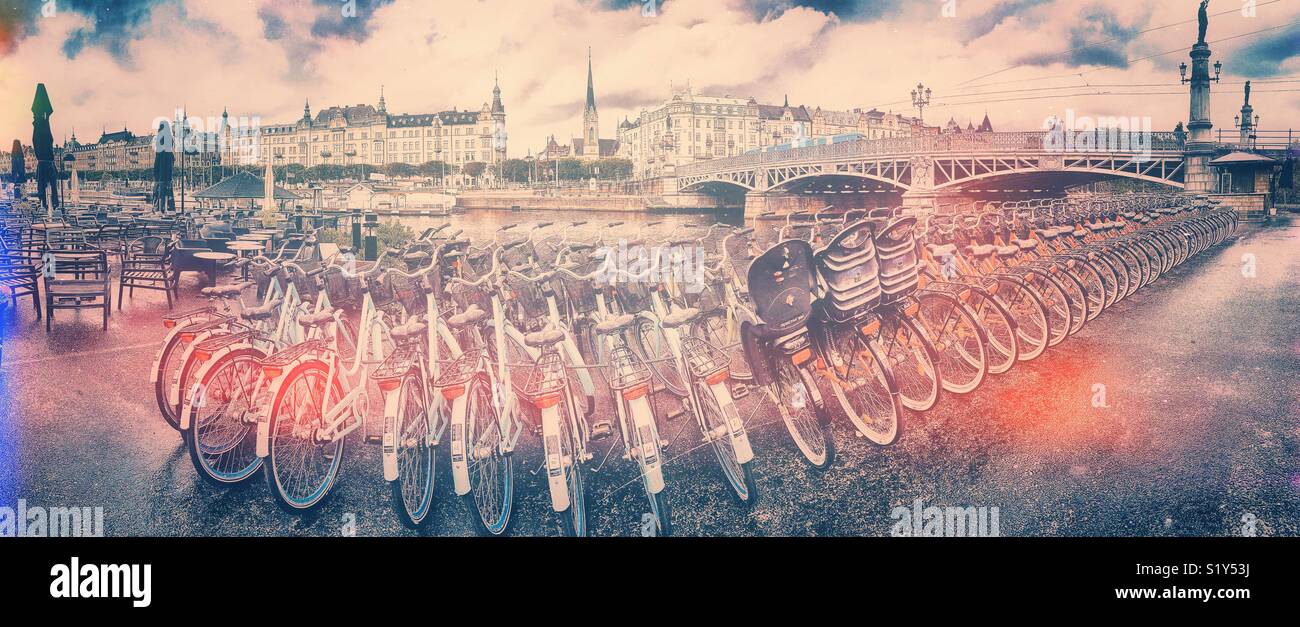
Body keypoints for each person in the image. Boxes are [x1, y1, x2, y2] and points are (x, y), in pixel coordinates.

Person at [31, 84, 59, 212]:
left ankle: (44, 204)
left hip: (43, 164)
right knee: (52, 187)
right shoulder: (46, 126)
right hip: (49, 163)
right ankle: (53, 204)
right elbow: (49, 140)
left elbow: (35, 142)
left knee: (42, 187)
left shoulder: (38, 128)